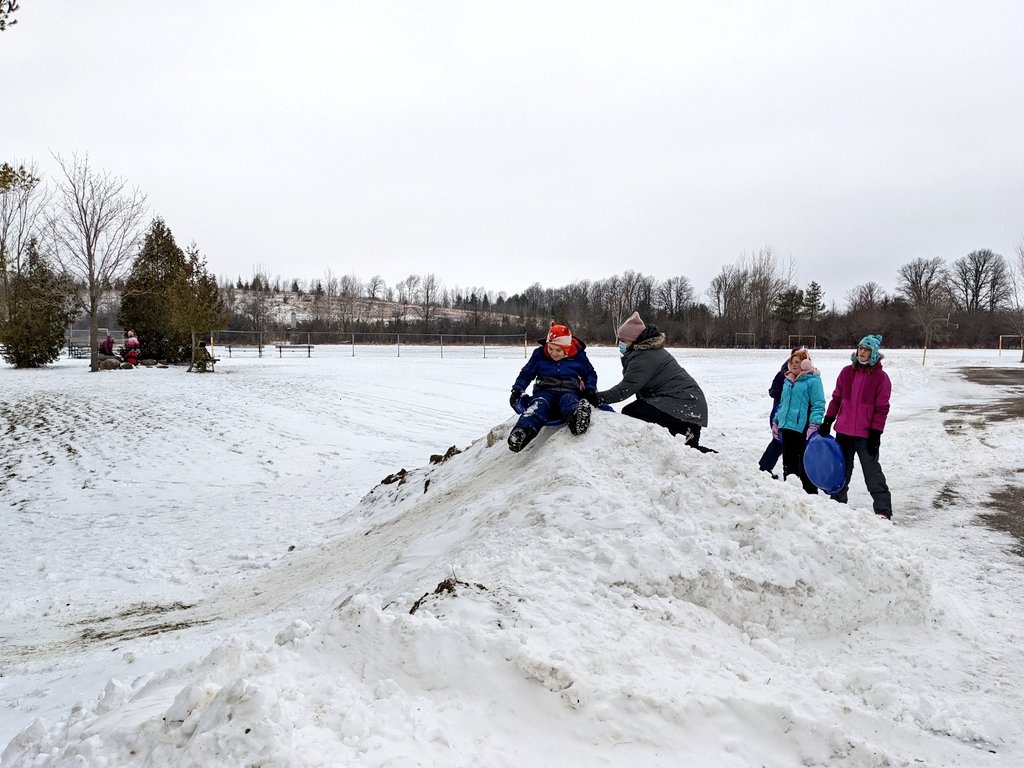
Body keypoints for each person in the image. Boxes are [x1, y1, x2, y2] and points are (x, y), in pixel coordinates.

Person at [591, 311, 712, 452]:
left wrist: (595, 399)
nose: (620, 344)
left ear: (635, 341)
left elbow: (624, 389)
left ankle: (682, 437)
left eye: (624, 340)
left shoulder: (644, 357)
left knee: (633, 412)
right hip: (686, 404)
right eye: (620, 340)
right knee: (637, 412)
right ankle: (679, 440)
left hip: (684, 405)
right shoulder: (645, 352)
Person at [819, 334, 892, 519]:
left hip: (866, 434)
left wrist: (876, 432)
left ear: (873, 353)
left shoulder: (881, 378)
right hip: (843, 431)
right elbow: (836, 399)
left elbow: (882, 408)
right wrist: (828, 420)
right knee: (842, 469)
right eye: (860, 348)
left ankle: (883, 509)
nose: (862, 352)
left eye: (866, 349)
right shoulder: (846, 372)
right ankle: (837, 502)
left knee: (871, 471)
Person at [507, 322, 597, 452]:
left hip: (569, 390)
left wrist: (590, 389)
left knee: (570, 402)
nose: (553, 353)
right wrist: (517, 389)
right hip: (544, 391)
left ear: (567, 348)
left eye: (558, 350)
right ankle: (521, 432)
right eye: (550, 348)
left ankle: (577, 419)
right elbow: (526, 374)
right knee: (537, 406)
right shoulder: (540, 355)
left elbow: (589, 374)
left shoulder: (578, 356)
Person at [772, 347, 825, 494]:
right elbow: (782, 404)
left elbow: (818, 404)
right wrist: (776, 421)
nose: (794, 365)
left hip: (803, 429)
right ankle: (790, 491)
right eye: (792, 362)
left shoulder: (813, 381)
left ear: (805, 363)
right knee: (788, 461)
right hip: (787, 427)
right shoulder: (788, 380)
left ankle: (810, 493)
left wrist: (814, 424)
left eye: (798, 362)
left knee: (804, 463)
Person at [757, 348, 803, 478]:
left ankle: (796, 475)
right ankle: (765, 468)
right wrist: (783, 398)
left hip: (797, 418)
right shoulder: (782, 374)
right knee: (778, 442)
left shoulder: (807, 376)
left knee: (793, 445)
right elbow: (772, 391)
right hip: (780, 413)